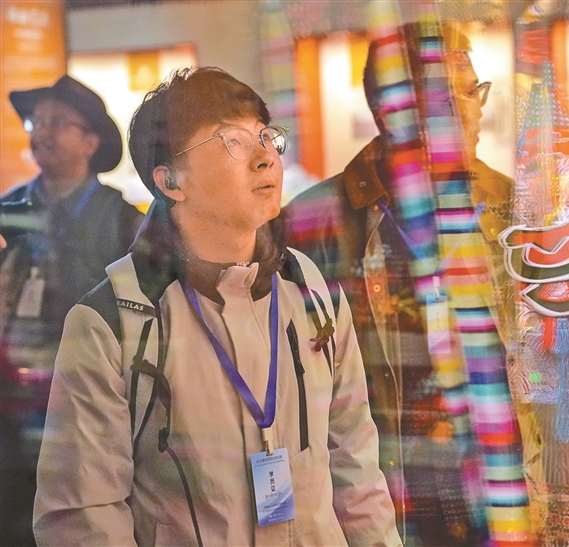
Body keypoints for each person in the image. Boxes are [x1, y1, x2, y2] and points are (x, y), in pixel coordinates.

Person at [32, 66, 401, 547]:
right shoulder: (115, 320)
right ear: (170, 181)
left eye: (265, 136)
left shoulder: (308, 286)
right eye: (232, 141)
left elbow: (356, 467)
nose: (265, 157)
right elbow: (84, 516)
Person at [284, 24, 514, 546]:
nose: (473, 113)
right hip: (376, 493)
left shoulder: (511, 209)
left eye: (474, 92)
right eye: (450, 99)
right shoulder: (312, 223)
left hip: (495, 487)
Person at [0, 75, 143, 547]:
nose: (41, 132)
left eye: (57, 122)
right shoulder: (9, 210)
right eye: (36, 122)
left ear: (90, 142)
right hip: (10, 405)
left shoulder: (122, 219)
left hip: (84, 401)